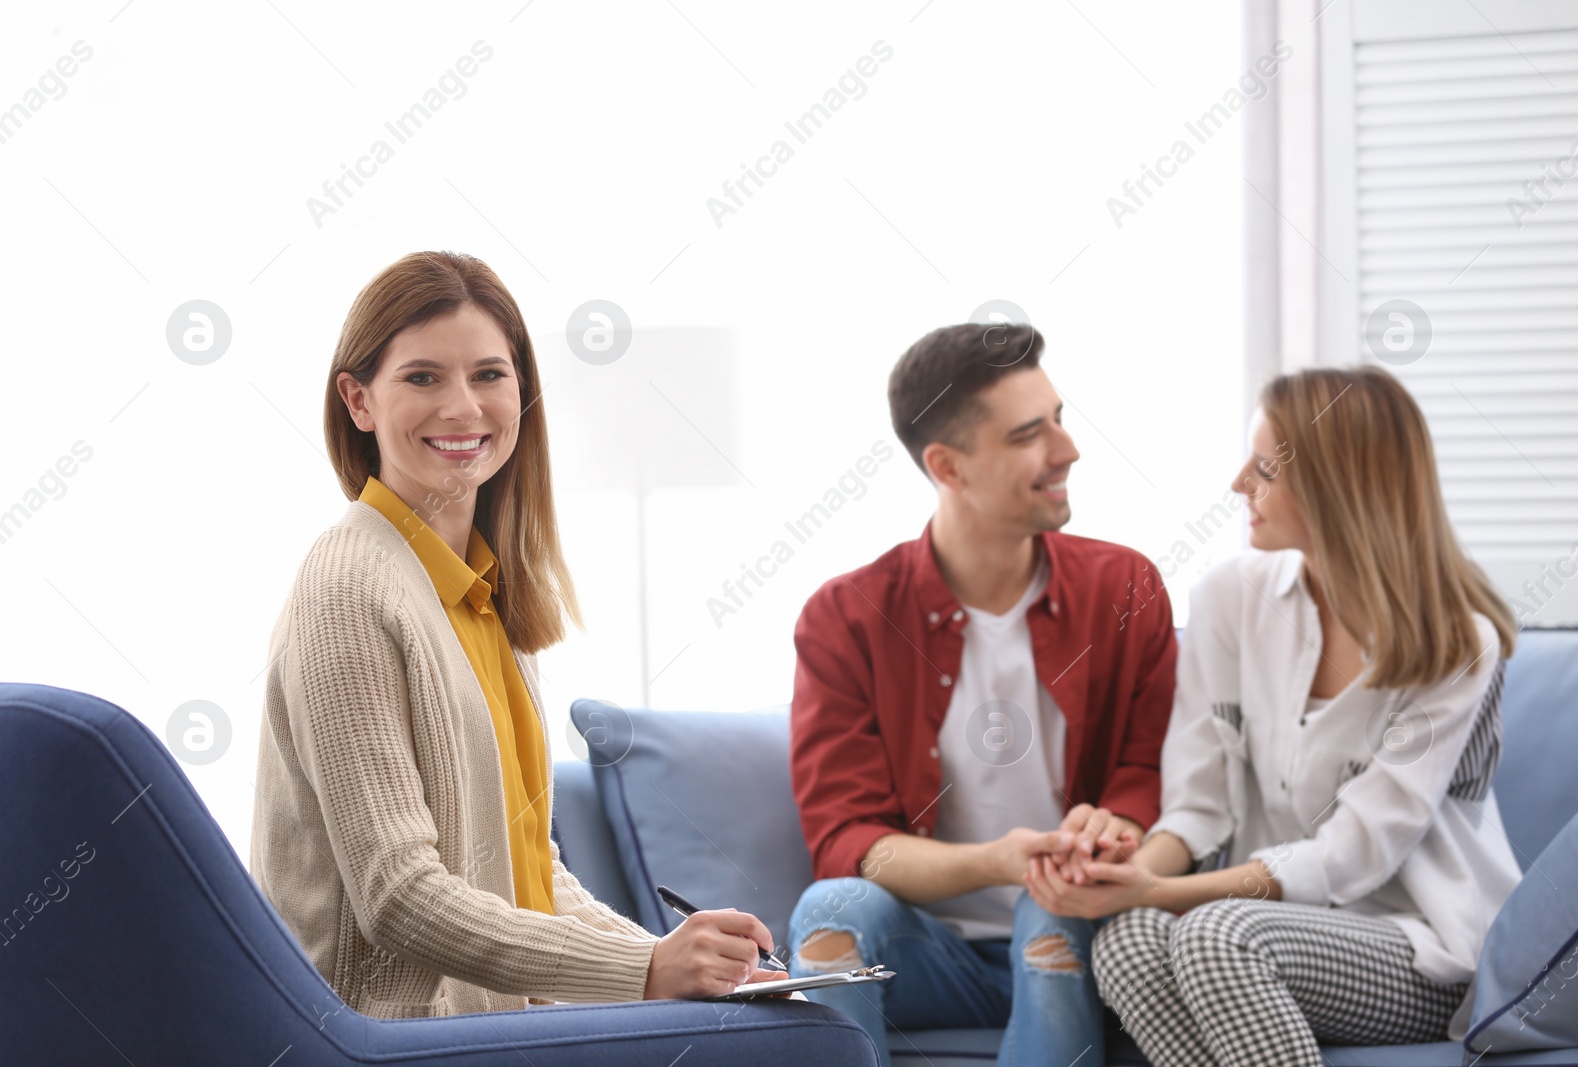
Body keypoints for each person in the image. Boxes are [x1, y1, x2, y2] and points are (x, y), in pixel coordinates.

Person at [249, 251, 783, 1018]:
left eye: (490, 376)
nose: (464, 407)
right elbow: (399, 898)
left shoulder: (484, 592)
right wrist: (646, 970)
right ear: (359, 400)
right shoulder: (347, 587)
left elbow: (531, 871)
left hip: (494, 1027)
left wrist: (679, 966)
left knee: (788, 1024)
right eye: (423, 377)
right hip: (381, 1037)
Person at [1025, 366, 1521, 1065]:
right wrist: (1124, 877)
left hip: (1419, 945)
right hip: (1262, 929)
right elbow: (1197, 805)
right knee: (1129, 940)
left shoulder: (1459, 643)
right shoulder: (1230, 596)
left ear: (1336, 488)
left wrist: (1165, 889)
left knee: (1214, 931)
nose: (1237, 485)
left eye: (1263, 468)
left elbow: (1353, 854)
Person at [785, 322, 1179, 1067]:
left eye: (1059, 419)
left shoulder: (1124, 587)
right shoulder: (847, 617)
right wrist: (1001, 859)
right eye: (1031, 433)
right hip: (926, 954)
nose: (1067, 449)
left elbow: (1150, 773)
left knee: (1049, 911)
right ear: (948, 466)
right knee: (829, 910)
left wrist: (1113, 827)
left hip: (1086, 930)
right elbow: (848, 841)